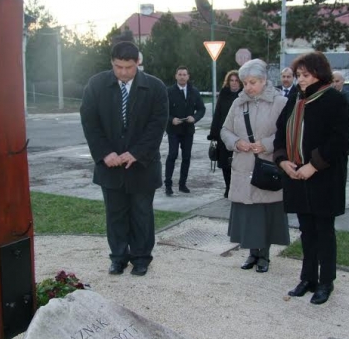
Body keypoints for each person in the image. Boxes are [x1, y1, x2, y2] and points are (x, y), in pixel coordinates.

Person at [80, 41, 168, 277]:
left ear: (138, 62)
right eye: (118, 67)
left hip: (143, 166)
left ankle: (141, 258)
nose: (123, 72)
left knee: (142, 214)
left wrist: (137, 153)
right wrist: (104, 153)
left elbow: (157, 125)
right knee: (115, 214)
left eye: (129, 67)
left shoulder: (155, 87)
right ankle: (118, 257)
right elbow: (90, 122)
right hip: (110, 166)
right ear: (112, 62)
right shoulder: (96, 85)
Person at [274, 52, 349, 305]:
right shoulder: (295, 98)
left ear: (319, 74)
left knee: (324, 231)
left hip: (324, 178)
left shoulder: (334, 99)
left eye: (305, 75)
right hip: (296, 175)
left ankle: (326, 281)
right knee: (306, 230)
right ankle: (308, 278)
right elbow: (280, 131)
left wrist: (313, 165)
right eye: (298, 75)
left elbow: (340, 141)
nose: (301, 79)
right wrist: (282, 160)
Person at [221, 59, 289, 273]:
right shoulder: (238, 103)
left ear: (264, 80)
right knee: (249, 214)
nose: (248, 87)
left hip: (267, 166)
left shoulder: (280, 102)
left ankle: (264, 255)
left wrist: (266, 144)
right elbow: (225, 130)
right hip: (243, 165)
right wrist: (236, 142)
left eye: (253, 82)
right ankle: (252, 253)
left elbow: (287, 133)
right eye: (245, 83)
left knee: (266, 213)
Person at [164, 66, 206, 196]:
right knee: (172, 155)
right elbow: (163, 110)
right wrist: (171, 119)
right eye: (180, 74)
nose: (182, 77)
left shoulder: (194, 91)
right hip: (173, 130)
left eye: (184, 74)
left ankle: (182, 184)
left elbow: (201, 109)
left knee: (186, 157)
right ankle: (168, 185)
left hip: (188, 130)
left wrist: (195, 118)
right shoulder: (169, 91)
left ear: (188, 76)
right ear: (176, 76)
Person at [208, 70, 243, 198]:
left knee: (238, 163)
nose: (234, 83)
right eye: (231, 80)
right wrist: (214, 134)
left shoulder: (244, 95)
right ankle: (228, 187)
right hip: (224, 133)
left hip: (239, 134)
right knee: (224, 164)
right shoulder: (223, 94)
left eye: (236, 80)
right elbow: (217, 114)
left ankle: (237, 188)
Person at [332, 71, 349, 156]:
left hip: (344, 137)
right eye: (332, 81)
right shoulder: (324, 96)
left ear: (343, 81)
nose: (334, 84)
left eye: (337, 81)